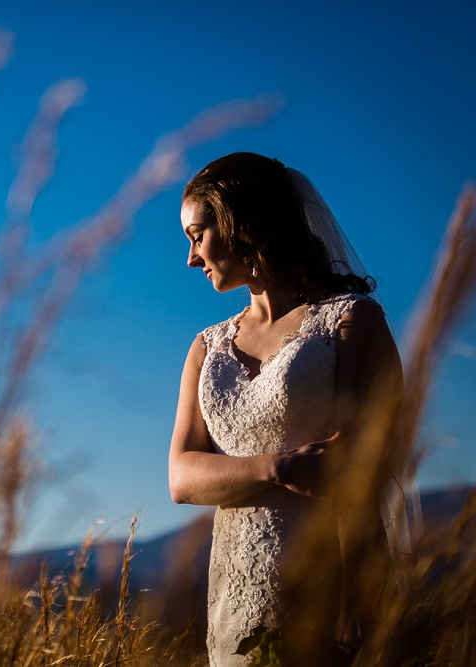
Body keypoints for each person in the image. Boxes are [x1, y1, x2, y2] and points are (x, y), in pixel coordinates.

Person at [167, 152, 403, 666]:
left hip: (325, 588)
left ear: (241, 224)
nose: (191, 257)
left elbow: (360, 471)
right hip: (234, 600)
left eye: (197, 234)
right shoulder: (207, 348)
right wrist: (277, 467)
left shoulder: (350, 323)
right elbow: (182, 477)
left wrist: (353, 604)